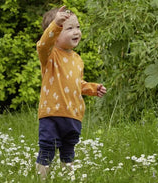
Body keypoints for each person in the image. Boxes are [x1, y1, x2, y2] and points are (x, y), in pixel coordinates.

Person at [35, 5, 107, 179]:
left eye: (78, 27)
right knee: (47, 147)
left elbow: (77, 84)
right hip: (52, 113)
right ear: (55, 35)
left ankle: (68, 178)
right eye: (69, 28)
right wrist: (56, 24)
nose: (76, 32)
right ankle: (40, 178)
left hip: (73, 114)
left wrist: (92, 88)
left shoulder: (77, 59)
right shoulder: (50, 55)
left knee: (68, 149)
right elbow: (42, 45)